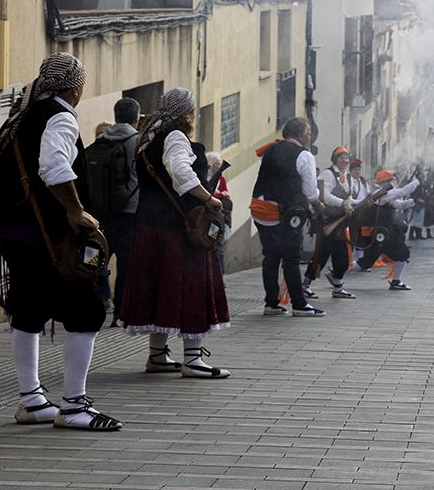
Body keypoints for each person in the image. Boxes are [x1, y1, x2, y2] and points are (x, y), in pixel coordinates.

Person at [0, 53, 122, 430]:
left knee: (26, 309)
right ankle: (74, 406)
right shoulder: (59, 115)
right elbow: (54, 167)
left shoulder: (20, 116)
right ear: (76, 88)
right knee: (87, 309)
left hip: (13, 233)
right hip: (50, 237)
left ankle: (31, 401)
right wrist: (76, 211)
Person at [119, 88, 232, 378]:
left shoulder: (149, 137)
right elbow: (180, 171)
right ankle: (192, 360)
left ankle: (157, 356)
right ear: (186, 113)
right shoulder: (176, 137)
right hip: (181, 229)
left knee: (161, 290)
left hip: (151, 226)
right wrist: (209, 198)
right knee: (191, 289)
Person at [250, 117, 325, 317]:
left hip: (260, 209)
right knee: (291, 257)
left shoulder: (271, 149)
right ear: (301, 135)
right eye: (308, 133)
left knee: (271, 256)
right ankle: (300, 305)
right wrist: (317, 205)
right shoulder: (304, 155)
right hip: (283, 213)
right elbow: (310, 192)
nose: (309, 137)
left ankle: (271, 303)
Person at [85, 97, 140, 324]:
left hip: (100, 211)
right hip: (129, 210)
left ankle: (94, 306)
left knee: (97, 258)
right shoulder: (137, 141)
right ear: (136, 118)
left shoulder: (101, 139)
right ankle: (120, 314)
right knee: (126, 264)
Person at [354, 169, 420, 289]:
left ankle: (337, 273)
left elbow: (399, 204)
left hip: (384, 231)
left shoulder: (382, 193)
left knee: (367, 261)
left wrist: (413, 201)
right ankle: (396, 281)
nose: (394, 182)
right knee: (402, 252)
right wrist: (416, 182)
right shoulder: (381, 192)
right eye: (391, 180)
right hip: (382, 232)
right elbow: (402, 192)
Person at [304, 147, 356, 298]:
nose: (344, 161)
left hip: (340, 223)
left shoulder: (347, 176)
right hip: (327, 221)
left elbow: (350, 199)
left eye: (346, 158)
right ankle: (305, 285)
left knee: (342, 258)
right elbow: (324, 196)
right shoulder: (328, 173)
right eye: (341, 158)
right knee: (321, 256)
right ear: (335, 159)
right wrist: (342, 203)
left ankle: (338, 287)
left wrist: (361, 203)